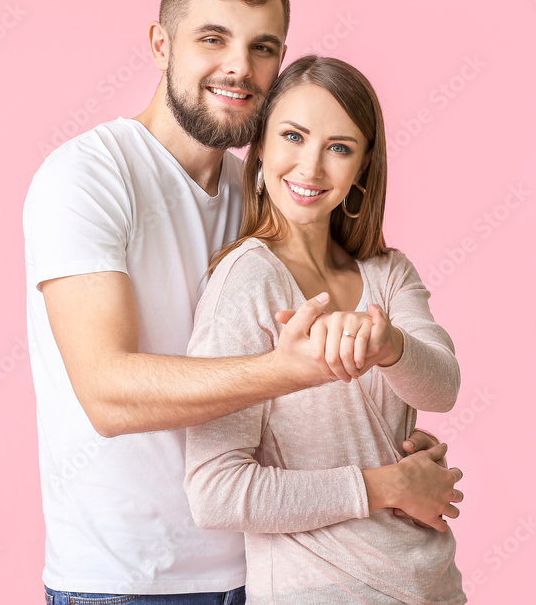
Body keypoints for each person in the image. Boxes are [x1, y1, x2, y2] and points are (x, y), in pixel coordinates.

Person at [22, 0, 462, 604]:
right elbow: (106, 392)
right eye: (212, 38)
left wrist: (387, 432)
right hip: (127, 577)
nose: (239, 66)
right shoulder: (87, 177)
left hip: (255, 569)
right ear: (159, 44)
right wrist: (311, 387)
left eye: (262, 47)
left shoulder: (260, 195)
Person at [184, 55, 467, 604]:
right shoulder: (246, 280)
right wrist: (387, 486)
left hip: (434, 589)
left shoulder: (388, 273)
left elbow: (443, 388)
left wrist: (387, 345)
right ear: (260, 144)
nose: (311, 168)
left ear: (362, 166)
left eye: (339, 147)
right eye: (293, 136)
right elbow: (216, 493)